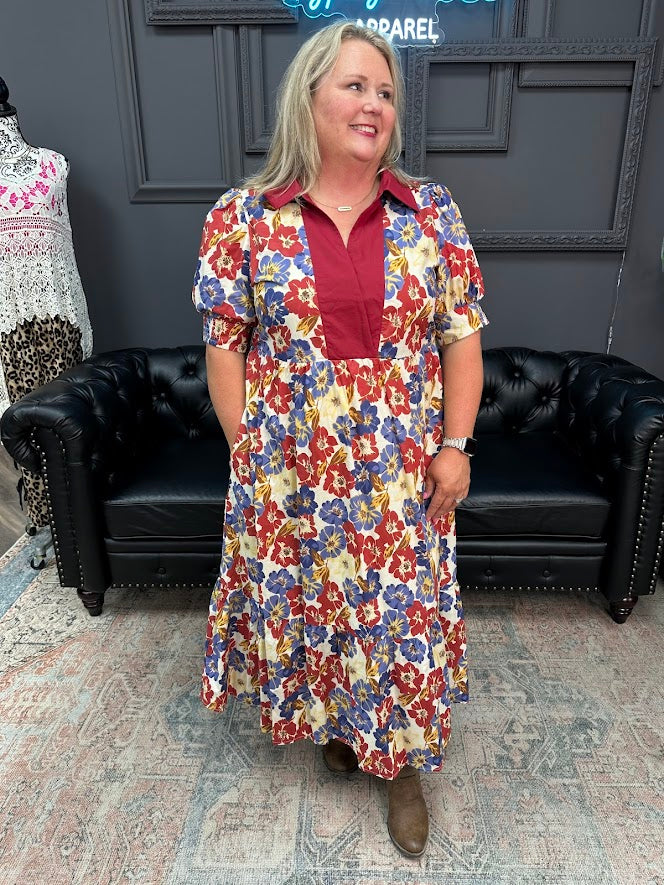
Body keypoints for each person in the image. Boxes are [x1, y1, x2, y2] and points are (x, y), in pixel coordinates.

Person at [192, 21, 488, 858]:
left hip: (401, 473)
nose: (374, 105)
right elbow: (225, 345)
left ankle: (403, 768)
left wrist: (457, 445)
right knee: (315, 607)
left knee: (401, 619)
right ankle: (341, 725)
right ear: (309, 97)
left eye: (385, 92)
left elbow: (462, 337)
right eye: (355, 86)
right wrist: (250, 452)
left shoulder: (430, 212)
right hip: (295, 475)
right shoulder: (244, 218)